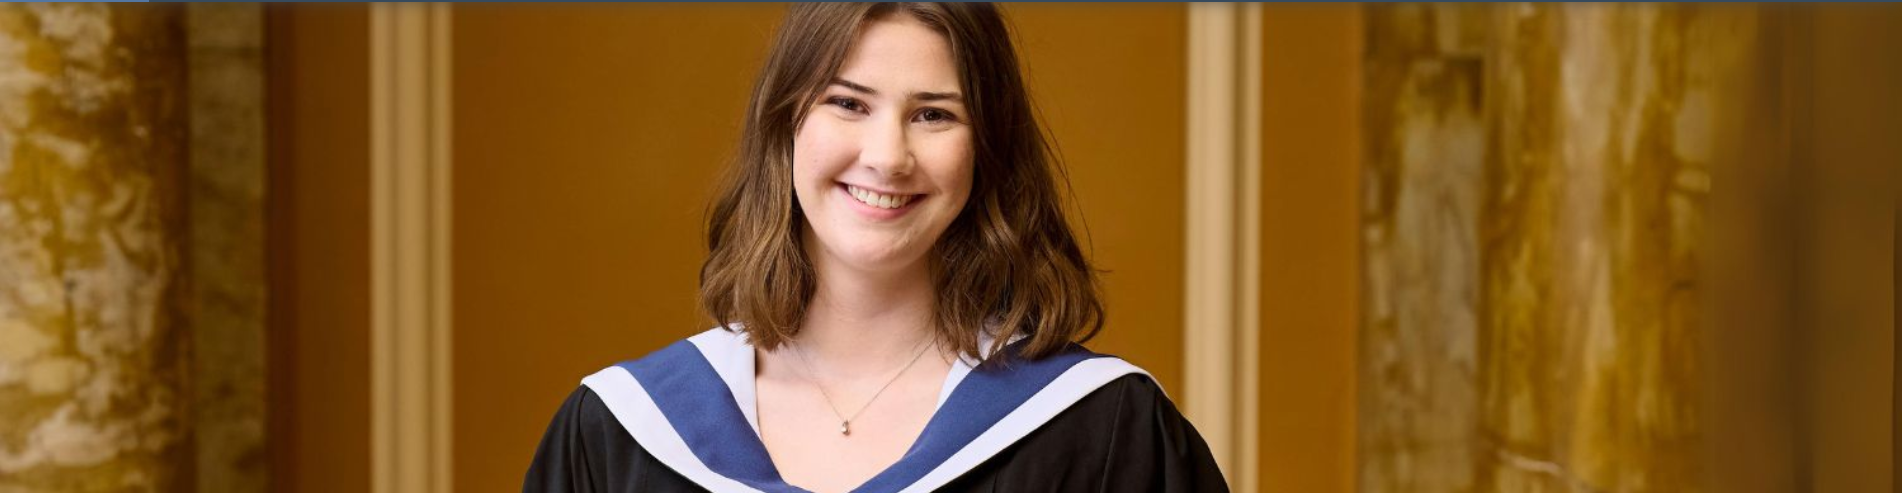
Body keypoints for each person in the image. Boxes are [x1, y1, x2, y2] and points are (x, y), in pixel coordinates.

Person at [523, 3, 1225, 492]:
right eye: (848, 103)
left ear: (987, 148)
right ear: (786, 122)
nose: (888, 157)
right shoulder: (617, 436)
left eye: (933, 114)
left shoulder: (1100, 434)